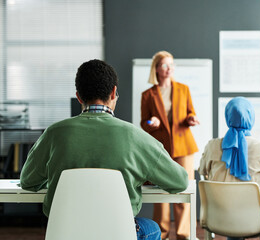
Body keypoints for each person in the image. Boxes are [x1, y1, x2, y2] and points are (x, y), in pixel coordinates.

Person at [20, 59, 189, 240]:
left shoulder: (53, 134)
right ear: (114, 92)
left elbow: (28, 181)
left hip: (66, 233)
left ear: (78, 96)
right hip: (118, 233)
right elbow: (179, 181)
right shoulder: (136, 136)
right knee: (153, 228)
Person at [198, 96, 260, 240]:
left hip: (220, 217)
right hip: (255, 219)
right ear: (251, 117)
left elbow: (202, 170)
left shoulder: (212, 146)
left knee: (231, 207)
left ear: (227, 117)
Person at [140, 51, 199, 240]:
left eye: (171, 65)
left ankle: (184, 234)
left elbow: (190, 113)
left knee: (184, 190)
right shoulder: (148, 95)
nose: (169, 69)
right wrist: (152, 123)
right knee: (161, 193)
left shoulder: (183, 89)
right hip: (161, 149)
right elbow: (144, 123)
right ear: (156, 68)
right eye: (164, 65)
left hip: (184, 147)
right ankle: (162, 234)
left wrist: (191, 119)